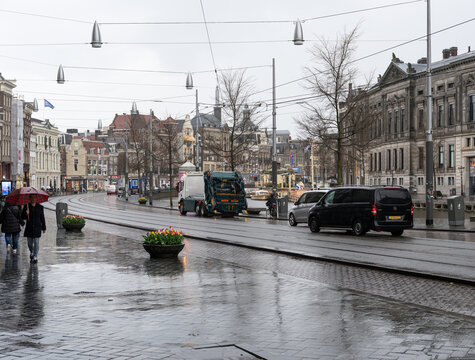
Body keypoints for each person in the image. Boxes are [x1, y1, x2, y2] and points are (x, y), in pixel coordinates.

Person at [21, 194, 46, 263]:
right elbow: (22, 217)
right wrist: (26, 213)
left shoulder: (40, 207)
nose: (33, 199)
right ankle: (31, 252)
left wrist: (44, 227)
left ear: (36, 199)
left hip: (37, 227)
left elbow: (42, 218)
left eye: (34, 198)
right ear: (30, 199)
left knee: (36, 242)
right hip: (29, 227)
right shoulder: (27, 206)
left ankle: (35, 256)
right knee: (29, 243)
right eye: (32, 198)